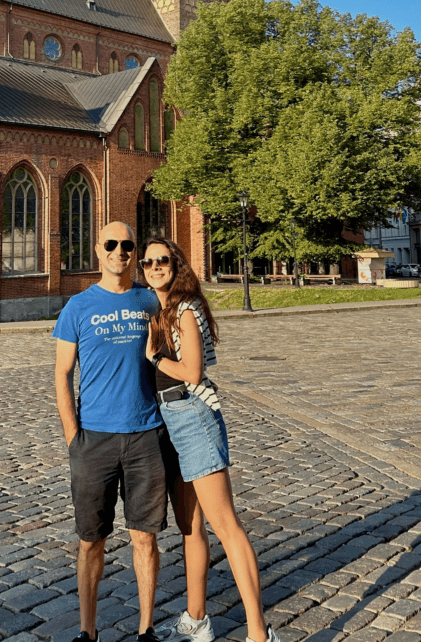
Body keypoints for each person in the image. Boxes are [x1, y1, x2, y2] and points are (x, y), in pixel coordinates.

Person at [140, 238, 281, 642]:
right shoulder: (160, 309)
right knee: (191, 526)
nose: (154, 267)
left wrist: (153, 357)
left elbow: (193, 372)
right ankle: (197, 619)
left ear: (177, 264)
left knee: (226, 525)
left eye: (162, 261)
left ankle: (259, 633)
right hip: (169, 418)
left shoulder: (186, 308)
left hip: (191, 416)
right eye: (148, 263)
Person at [54, 222, 168, 642]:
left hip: (145, 435)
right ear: (98, 252)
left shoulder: (150, 301)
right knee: (90, 541)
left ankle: (147, 629)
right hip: (94, 441)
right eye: (111, 244)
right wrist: (74, 439)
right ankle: (88, 632)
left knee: (145, 538)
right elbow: (62, 373)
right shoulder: (78, 307)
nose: (120, 251)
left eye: (127, 245)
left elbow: (169, 357)